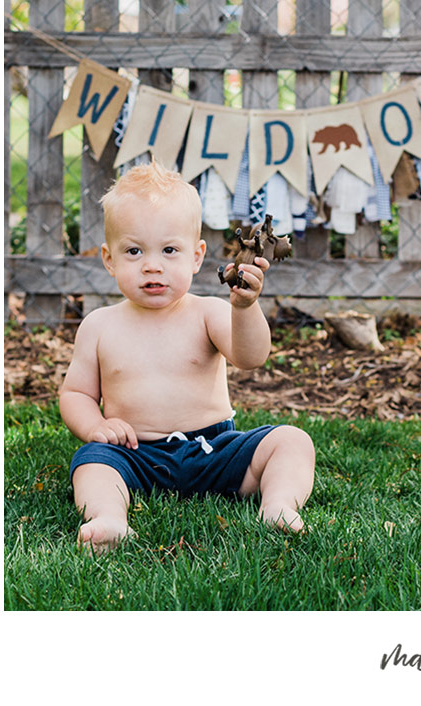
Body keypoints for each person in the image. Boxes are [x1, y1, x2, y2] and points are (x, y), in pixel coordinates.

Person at [59, 161, 315, 553]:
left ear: (196, 257)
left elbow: (251, 357)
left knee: (291, 441)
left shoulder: (208, 313)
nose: (152, 264)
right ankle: (109, 517)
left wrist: (245, 310)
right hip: (135, 456)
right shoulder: (99, 326)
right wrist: (96, 426)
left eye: (169, 250)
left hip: (215, 451)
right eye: (134, 251)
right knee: (91, 462)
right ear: (109, 260)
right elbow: (75, 393)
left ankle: (278, 506)